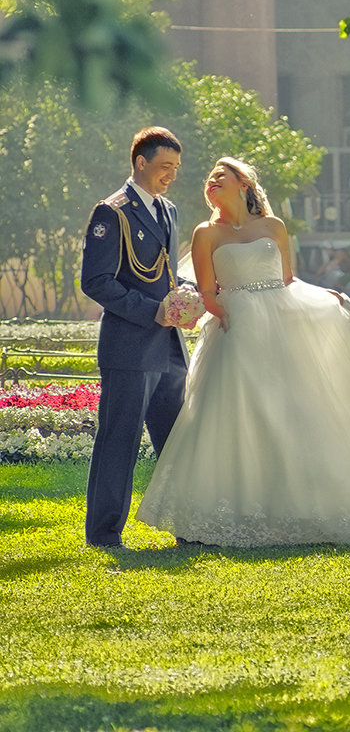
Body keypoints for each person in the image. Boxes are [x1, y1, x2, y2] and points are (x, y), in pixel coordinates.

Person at [135, 157, 350, 546]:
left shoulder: (273, 227)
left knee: (293, 413)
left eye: (221, 176)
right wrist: (229, 316)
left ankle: (306, 508)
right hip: (236, 330)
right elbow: (207, 291)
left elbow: (288, 280)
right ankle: (237, 512)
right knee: (243, 416)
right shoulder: (206, 233)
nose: (212, 182)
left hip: (281, 326)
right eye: (209, 178)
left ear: (244, 183)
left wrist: (327, 297)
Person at [79, 127, 191, 549]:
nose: (170, 176)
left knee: (179, 443)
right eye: (164, 167)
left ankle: (189, 527)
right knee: (119, 441)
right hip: (129, 347)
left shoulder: (169, 210)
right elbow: (96, 281)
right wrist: (153, 311)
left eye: (176, 168)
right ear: (140, 163)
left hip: (169, 348)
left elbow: (163, 273)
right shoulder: (112, 212)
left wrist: (185, 295)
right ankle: (104, 535)